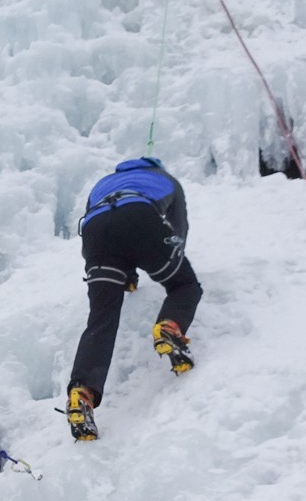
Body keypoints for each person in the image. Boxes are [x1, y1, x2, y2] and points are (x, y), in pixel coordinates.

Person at [64, 157, 204, 441]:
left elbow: (106, 226)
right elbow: (178, 230)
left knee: (101, 319)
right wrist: (169, 260)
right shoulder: (166, 180)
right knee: (184, 285)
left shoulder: (103, 184)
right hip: (141, 219)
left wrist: (126, 277)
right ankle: (169, 327)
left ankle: (83, 392)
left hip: (96, 231)